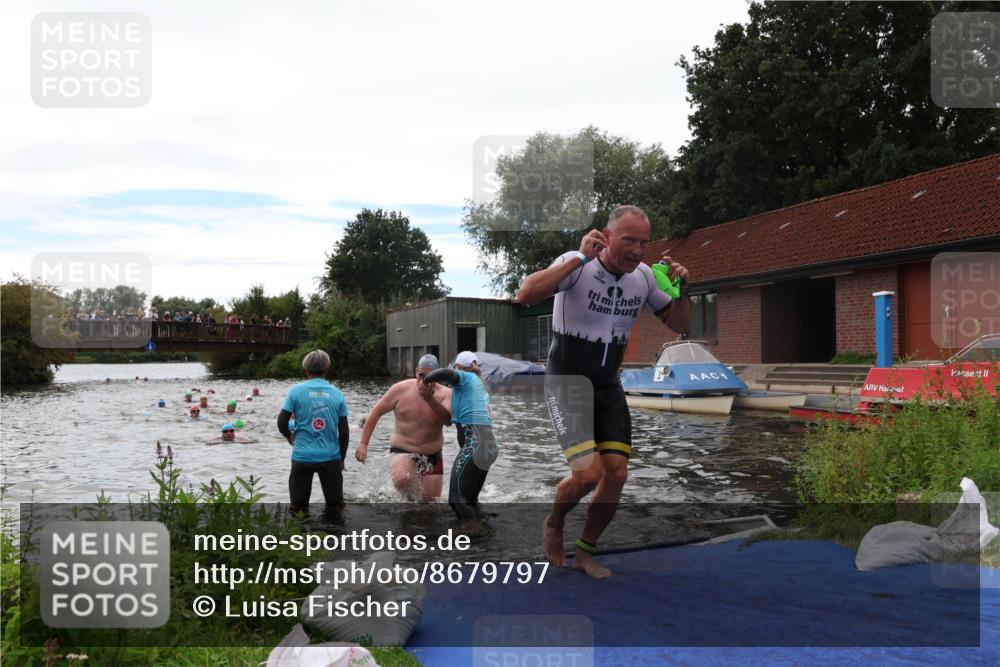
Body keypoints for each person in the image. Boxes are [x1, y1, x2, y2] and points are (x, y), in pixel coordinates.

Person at [516, 205, 691, 579]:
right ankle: (555, 521)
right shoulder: (577, 264)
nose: (638, 250)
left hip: (609, 383)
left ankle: (585, 552)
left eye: (644, 243)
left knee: (617, 473)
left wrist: (684, 290)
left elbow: (679, 324)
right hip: (567, 381)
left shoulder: (644, 277)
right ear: (607, 236)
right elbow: (526, 294)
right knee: (587, 475)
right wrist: (579, 257)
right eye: (629, 240)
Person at [356, 354, 452, 502]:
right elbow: (375, 413)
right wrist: (363, 444)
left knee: (430, 502)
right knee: (402, 479)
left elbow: (448, 421)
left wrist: (429, 399)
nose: (425, 381)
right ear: (416, 372)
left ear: (438, 376)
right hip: (403, 449)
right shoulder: (400, 389)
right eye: (421, 375)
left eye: (430, 377)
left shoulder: (446, 394)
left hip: (433, 454)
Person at [422, 352, 498, 520]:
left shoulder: (464, 377)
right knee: (470, 500)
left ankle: (473, 530)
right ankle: (482, 531)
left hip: (475, 443)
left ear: (458, 367)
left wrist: (425, 380)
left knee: (456, 500)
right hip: (489, 446)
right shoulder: (478, 385)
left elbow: (445, 374)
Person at [277, 350, 350, 512]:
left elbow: (282, 422)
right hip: (330, 458)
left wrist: (289, 436)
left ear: (305, 369)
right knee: (336, 510)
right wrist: (342, 458)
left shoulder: (296, 391)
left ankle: (300, 536)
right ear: (328, 369)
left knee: (298, 511)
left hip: (302, 457)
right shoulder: (337, 394)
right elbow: (344, 432)